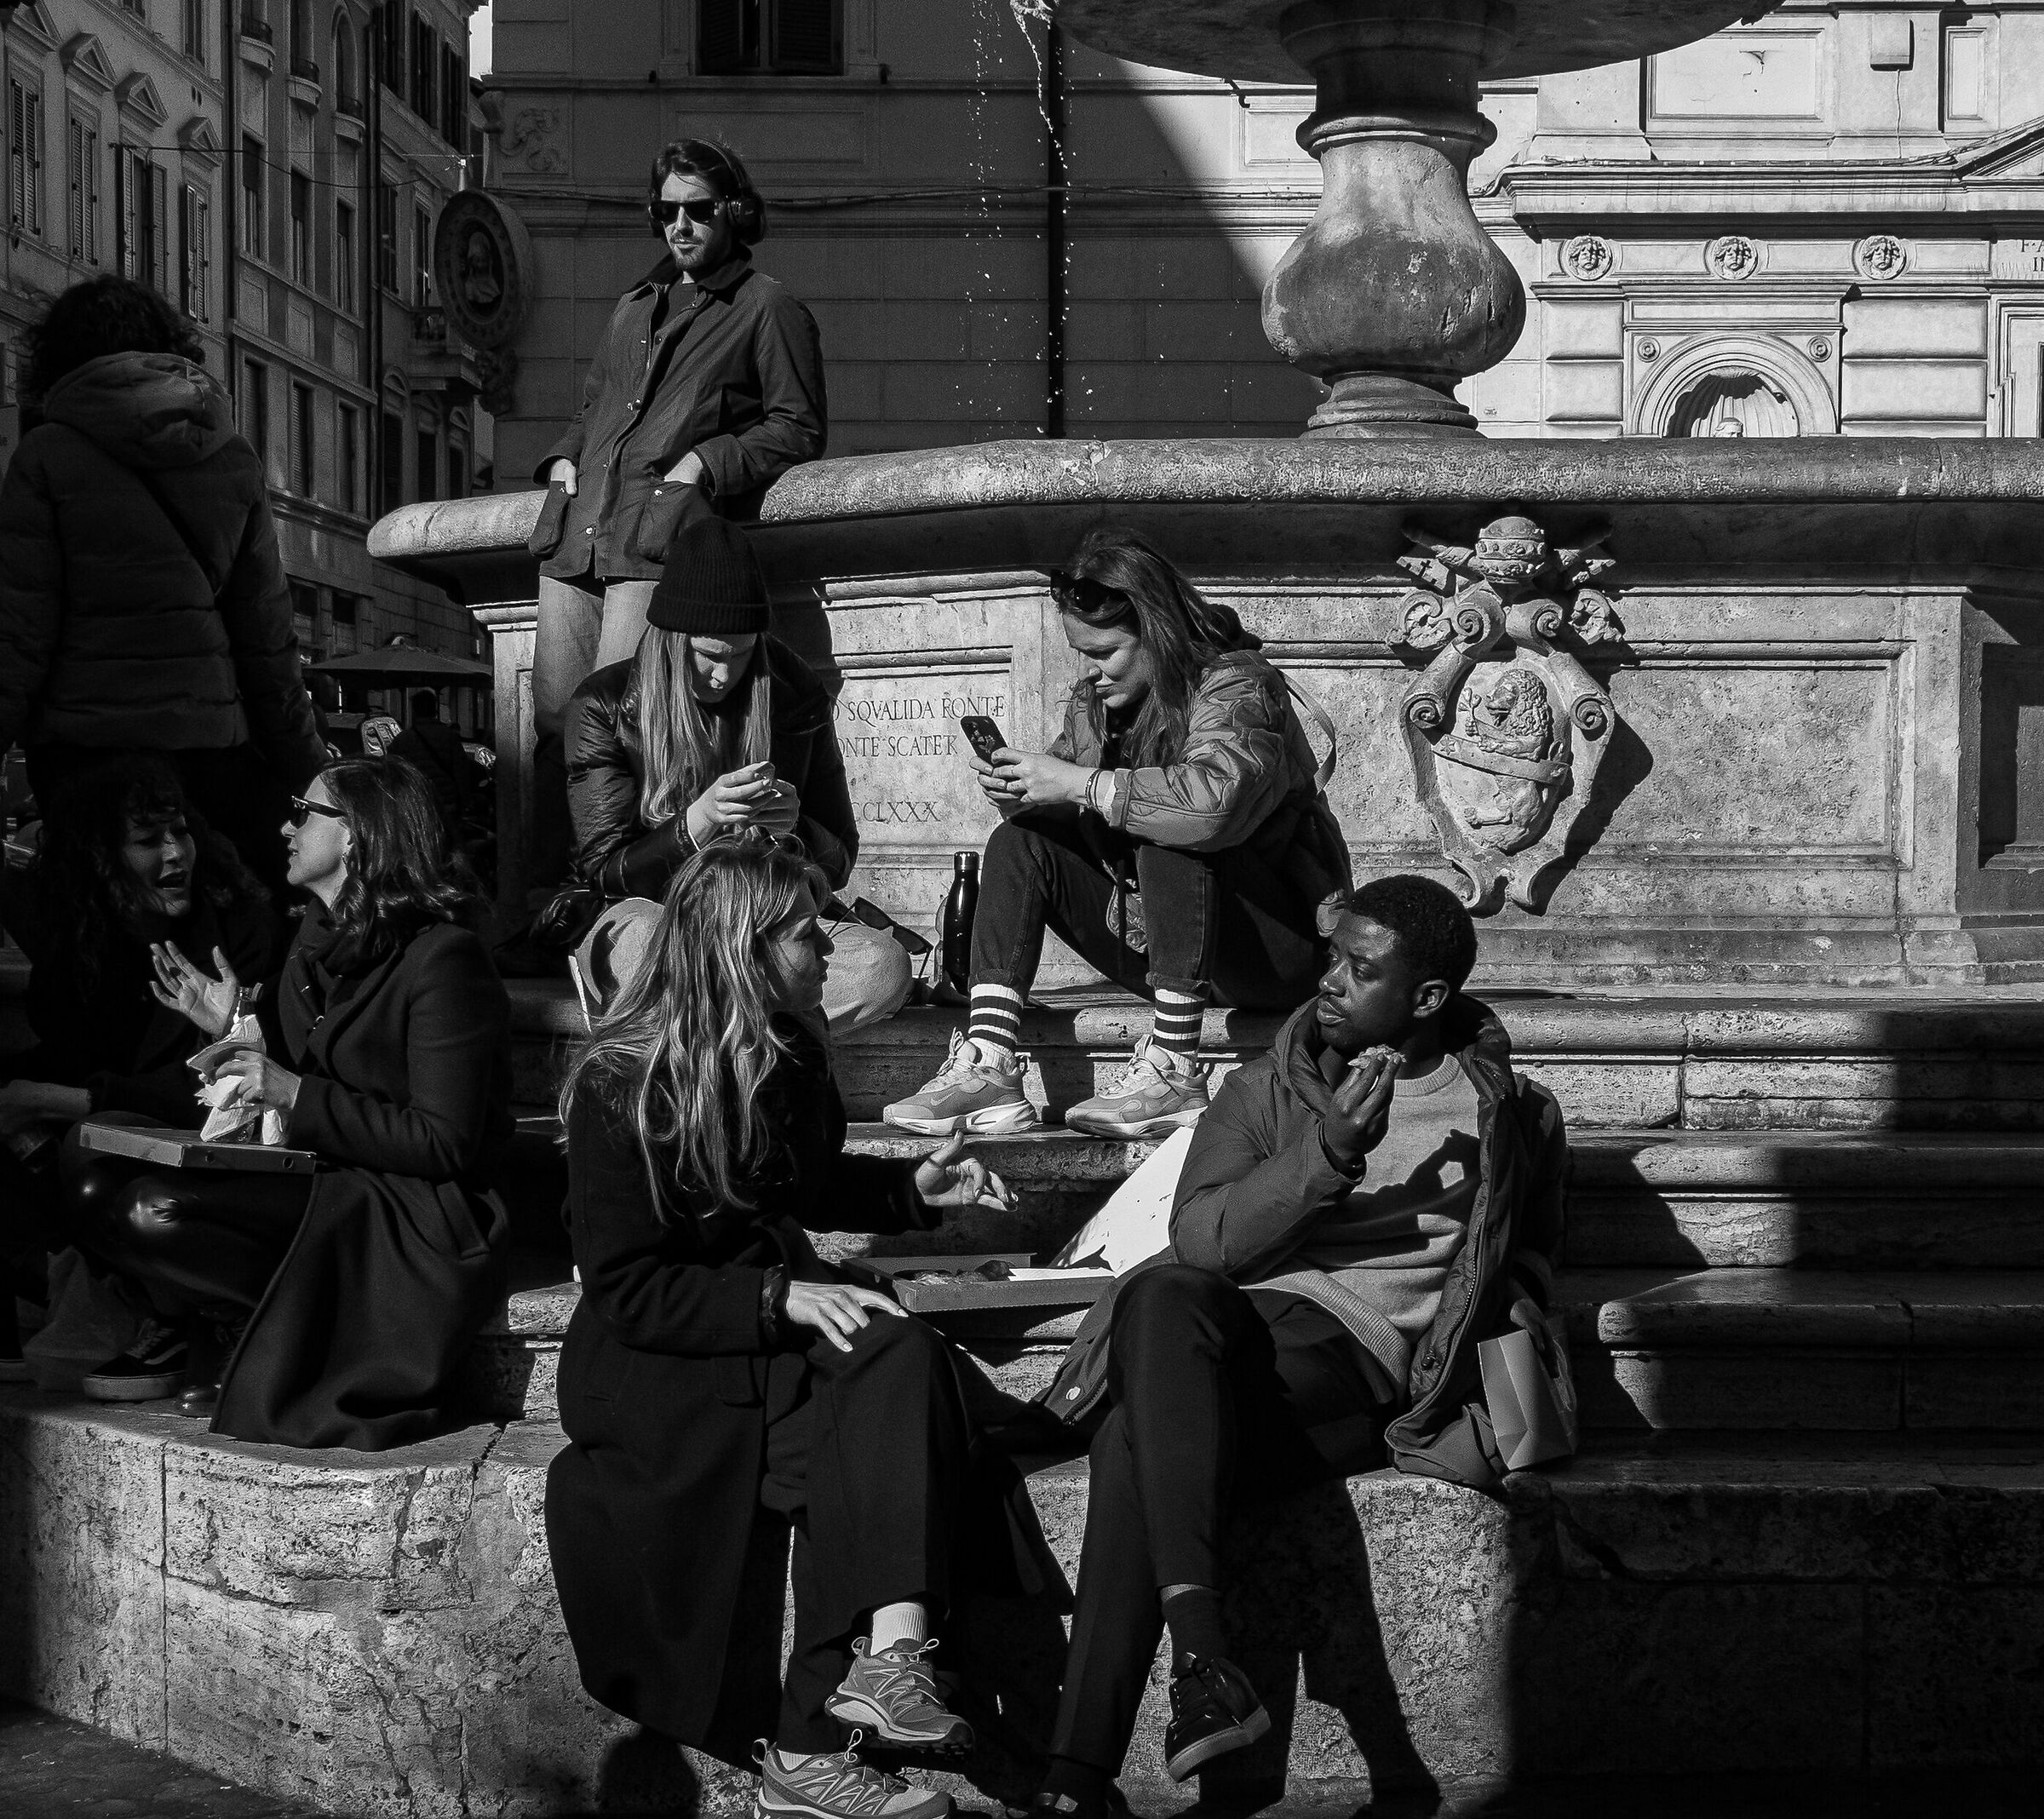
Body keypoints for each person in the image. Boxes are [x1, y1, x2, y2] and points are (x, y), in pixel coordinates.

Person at [1023, 876, 1568, 1818]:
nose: (1332, 981)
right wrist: (1327, 1155)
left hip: (1359, 1366)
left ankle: (1078, 1780)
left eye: (1362, 970)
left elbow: (1532, 1263)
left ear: (1427, 999)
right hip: (1227, 1342)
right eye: (1332, 958)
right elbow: (1203, 1242)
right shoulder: (1267, 1086)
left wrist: (1510, 1361)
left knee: (1130, 1444)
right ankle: (1198, 1661)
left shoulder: (1510, 1113)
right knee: (1161, 1299)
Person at [547, 834, 1013, 1819]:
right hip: (665, 1357)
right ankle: (806, 1752)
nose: (831, 954)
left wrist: (912, 1189)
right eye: (810, 936)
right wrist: (776, 1300)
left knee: (897, 1354)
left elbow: (798, 1184)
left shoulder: (790, 1049)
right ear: (749, 949)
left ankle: (890, 1663)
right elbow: (626, 1284)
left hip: (767, 1320)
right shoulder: (620, 1082)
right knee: (851, 1443)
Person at [67, 758, 513, 1441]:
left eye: (303, 813)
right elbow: (292, 1065)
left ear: (359, 833)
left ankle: (248, 1332)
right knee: (94, 1183)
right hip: (318, 1170)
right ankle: (241, 1327)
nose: (284, 826)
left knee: (148, 1212)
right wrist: (228, 1027)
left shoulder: (445, 959)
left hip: (398, 1204)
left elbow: (443, 1140)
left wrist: (294, 1093)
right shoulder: (312, 941)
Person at [884, 530, 1350, 1143]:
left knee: (1170, 824)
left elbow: (1211, 807)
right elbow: (1078, 809)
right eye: (1083, 654)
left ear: (1155, 630)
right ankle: (990, 1063)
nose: (1093, 671)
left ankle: (1174, 1070)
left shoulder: (1239, 684)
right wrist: (1028, 795)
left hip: (1275, 950)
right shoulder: (1097, 704)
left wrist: (1081, 784)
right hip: (1158, 937)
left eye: (1105, 652)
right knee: (1021, 840)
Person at [528, 136, 827, 886]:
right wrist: (563, 462)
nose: (680, 225)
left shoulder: (768, 307)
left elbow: (798, 425)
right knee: (555, 732)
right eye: (667, 211)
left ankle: (626, 894)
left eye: (698, 209)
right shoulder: (632, 307)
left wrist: (706, 462)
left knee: (633, 725)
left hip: (657, 544)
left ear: (733, 210)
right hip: (580, 534)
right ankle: (547, 903)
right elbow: (596, 408)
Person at [0, 274, 327, 896]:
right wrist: (310, 773)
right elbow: (267, 644)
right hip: (207, 752)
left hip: (84, 753)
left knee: (95, 931)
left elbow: (18, 636)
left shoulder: (45, 457)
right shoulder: (232, 459)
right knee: (206, 919)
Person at [565, 517, 911, 1031]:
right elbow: (606, 873)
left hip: (762, 923)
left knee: (881, 966)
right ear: (671, 642)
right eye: (708, 656)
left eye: (742, 654)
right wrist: (696, 824)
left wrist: (795, 827)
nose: (724, 675)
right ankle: (753, 1030)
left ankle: (695, 1026)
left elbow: (837, 864)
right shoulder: (605, 704)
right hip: (655, 918)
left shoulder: (794, 695)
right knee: (638, 943)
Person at [0, 756, 274, 1385]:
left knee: (86, 1147)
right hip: (112, 1120)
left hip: (212, 1135)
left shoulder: (237, 928)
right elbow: (64, 1043)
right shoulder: (86, 935)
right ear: (99, 858)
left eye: (180, 832)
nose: (176, 854)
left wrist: (62, 1099)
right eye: (149, 841)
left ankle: (165, 1317)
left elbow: (226, 1082)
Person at [388, 690, 485, 838]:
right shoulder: (449, 737)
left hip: (416, 804)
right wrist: (464, 801)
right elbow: (461, 772)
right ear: (434, 710)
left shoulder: (402, 740)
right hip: (447, 805)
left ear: (414, 711)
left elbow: (392, 775)